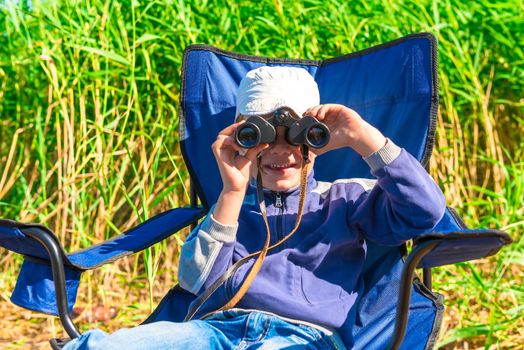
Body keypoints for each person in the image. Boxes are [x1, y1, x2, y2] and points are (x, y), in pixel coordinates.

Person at [64, 66, 446, 349]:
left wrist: (363, 137)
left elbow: (425, 210)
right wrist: (231, 191)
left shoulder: (346, 198)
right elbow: (195, 284)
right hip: (214, 333)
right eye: (260, 135)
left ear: (315, 138)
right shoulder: (231, 206)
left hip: (305, 339)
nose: (280, 152)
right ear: (241, 137)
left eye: (295, 136)